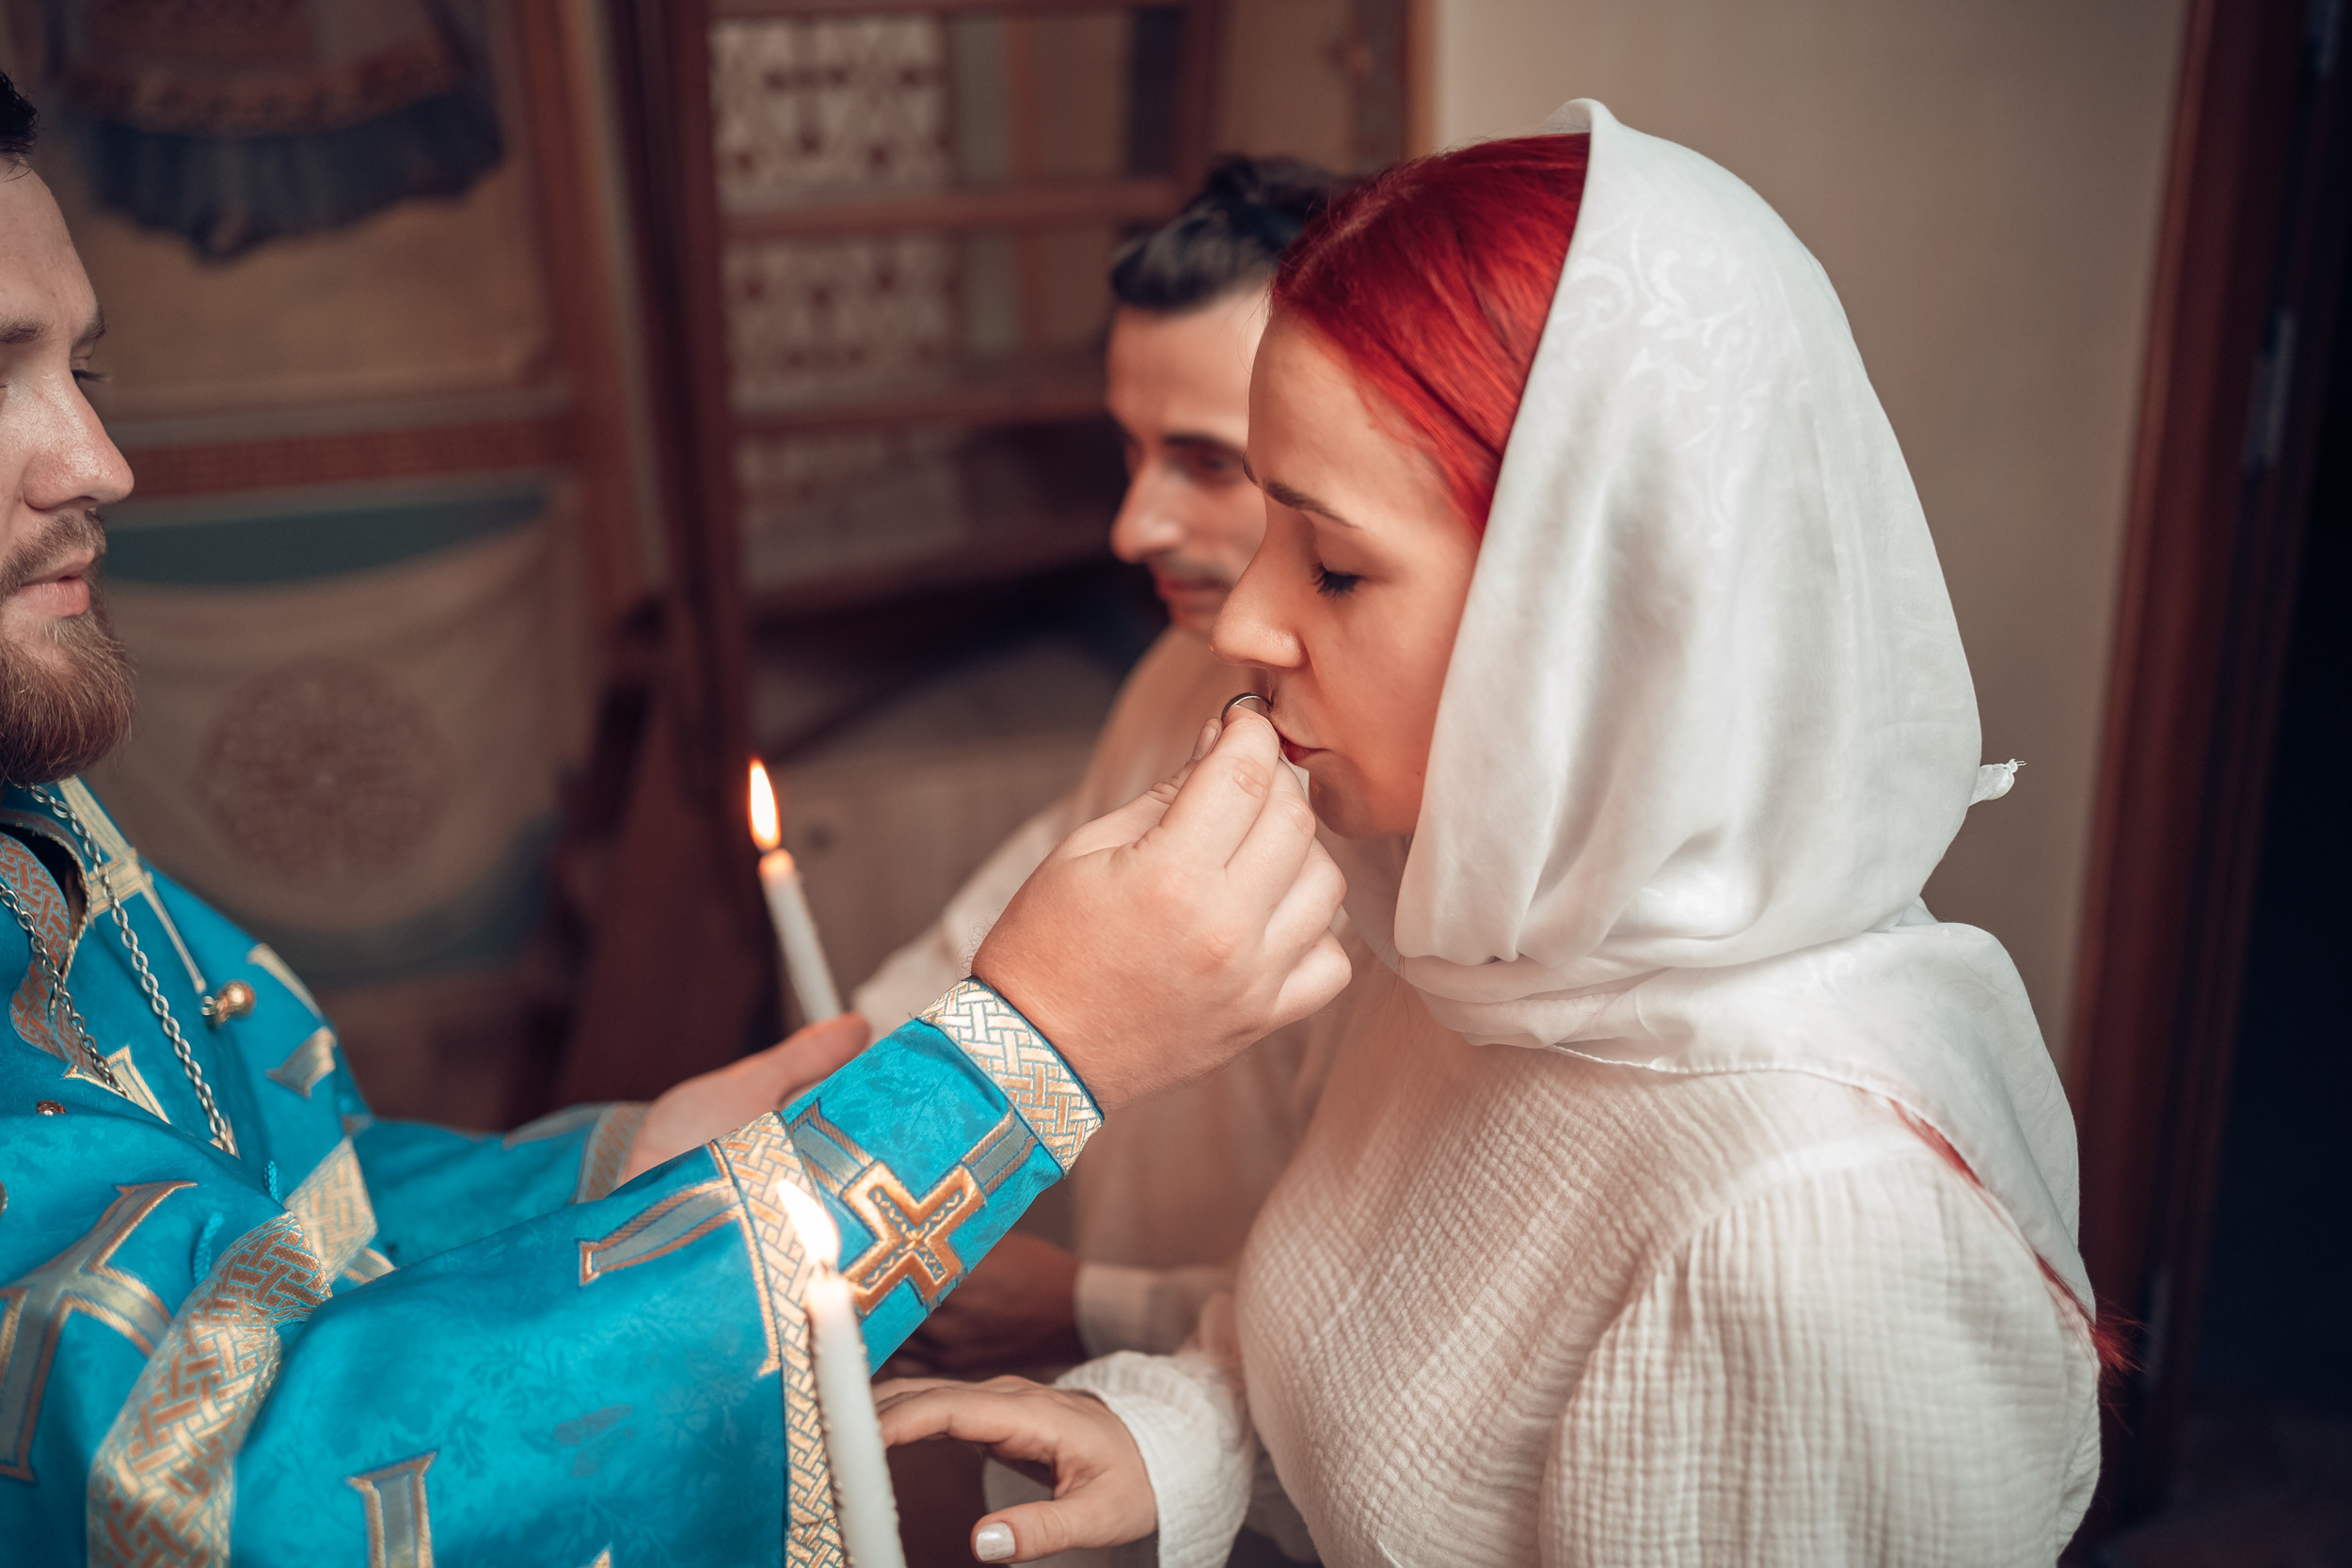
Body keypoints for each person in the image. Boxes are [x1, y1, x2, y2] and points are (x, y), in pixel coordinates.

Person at [0, 74, 1349, 1565]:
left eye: (86, 377)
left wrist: (640, 1158)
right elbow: (233, 1481)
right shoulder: (1180, 692)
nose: (99, 466)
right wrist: (993, 1079)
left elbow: (273, 1229)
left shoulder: (41, 832)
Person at [876, 102, 2112, 1567]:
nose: (1255, 621)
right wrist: (1181, 1430)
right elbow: (1377, 1373)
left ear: (1598, 617)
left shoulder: (1809, 1233)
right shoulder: (1497, 940)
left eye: (1332, 564)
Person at [859, 156, 1353, 1377]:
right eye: (1130, 454)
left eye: (1207, 462)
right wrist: (816, 1091)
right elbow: (1012, 924)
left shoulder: (1405, 800)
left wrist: (1088, 1304)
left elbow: (1403, 1294)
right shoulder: (1178, 673)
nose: (1133, 528)